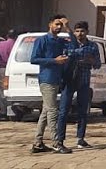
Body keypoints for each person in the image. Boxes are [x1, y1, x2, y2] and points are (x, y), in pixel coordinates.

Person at [30, 14, 72, 154]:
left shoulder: (60, 41)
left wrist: (68, 27)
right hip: (46, 79)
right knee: (53, 111)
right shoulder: (42, 40)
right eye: (57, 24)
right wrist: (54, 61)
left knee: (46, 111)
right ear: (50, 24)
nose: (58, 27)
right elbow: (34, 59)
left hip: (56, 79)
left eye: (61, 25)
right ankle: (56, 142)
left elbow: (74, 44)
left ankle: (38, 142)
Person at [57, 21, 100, 150]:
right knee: (63, 111)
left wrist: (90, 60)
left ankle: (80, 138)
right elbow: (64, 59)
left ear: (87, 32)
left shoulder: (92, 46)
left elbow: (97, 64)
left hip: (84, 81)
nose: (79, 34)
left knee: (83, 111)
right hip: (69, 81)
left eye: (82, 31)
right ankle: (60, 139)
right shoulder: (68, 44)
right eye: (77, 31)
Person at [0, 30, 16, 120]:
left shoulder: (0, 44)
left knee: (2, 91)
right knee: (14, 90)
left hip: (2, 69)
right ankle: (12, 112)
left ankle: (3, 113)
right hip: (14, 69)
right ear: (16, 36)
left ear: (7, 35)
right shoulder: (16, 44)